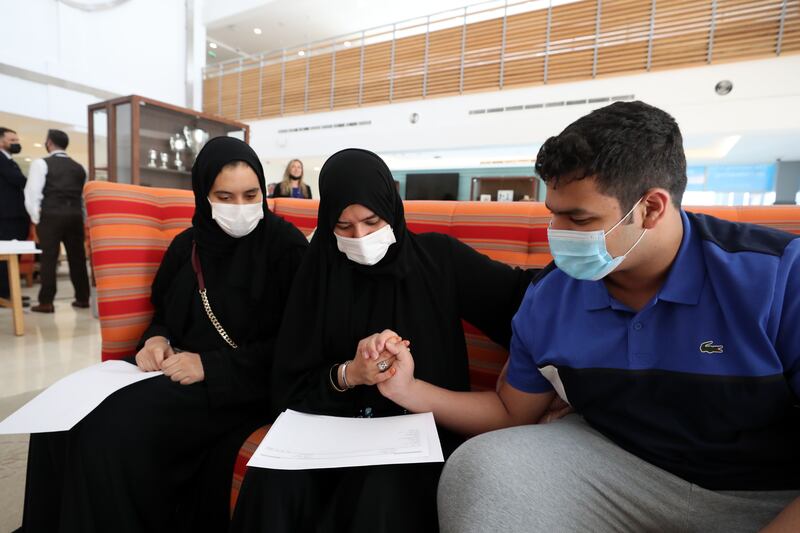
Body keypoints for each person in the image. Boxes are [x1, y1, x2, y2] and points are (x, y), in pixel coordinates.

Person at [371, 101, 800, 532]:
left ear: (651, 208)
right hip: (618, 470)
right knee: (481, 469)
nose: (556, 234)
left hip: (764, 489)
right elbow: (509, 412)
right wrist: (409, 390)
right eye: (553, 213)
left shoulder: (776, 276)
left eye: (578, 218)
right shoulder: (551, 296)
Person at [230, 148, 538, 532]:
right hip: (331, 429)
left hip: (418, 431)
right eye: (344, 227)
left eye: (372, 222)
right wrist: (349, 374)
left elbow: (525, 297)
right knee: (272, 482)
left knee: (381, 496)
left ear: (390, 209)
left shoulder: (438, 260)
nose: (360, 237)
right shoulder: (318, 274)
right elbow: (288, 384)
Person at [18, 137, 308, 533]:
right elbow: (165, 316)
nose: (240, 208)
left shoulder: (286, 248)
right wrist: (155, 339)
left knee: (110, 429)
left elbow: (298, 346)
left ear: (263, 190)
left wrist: (211, 365)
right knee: (58, 417)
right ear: (203, 194)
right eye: (224, 196)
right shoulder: (188, 245)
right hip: (174, 370)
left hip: (239, 384)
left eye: (250, 194)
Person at [24, 129, 91, 313]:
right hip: (75, 216)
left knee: (49, 259)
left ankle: (46, 302)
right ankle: (83, 298)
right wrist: (82, 217)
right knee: (77, 258)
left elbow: (32, 194)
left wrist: (36, 219)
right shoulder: (80, 167)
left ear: (50, 143)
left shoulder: (41, 163)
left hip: (51, 216)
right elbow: (83, 198)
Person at [0, 127, 30, 301]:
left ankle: (12, 292)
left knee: (14, 256)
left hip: (16, 215)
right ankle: (5, 294)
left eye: (16, 140)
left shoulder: (10, 160)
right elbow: (18, 179)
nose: (16, 143)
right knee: (6, 257)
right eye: (12, 141)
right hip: (6, 217)